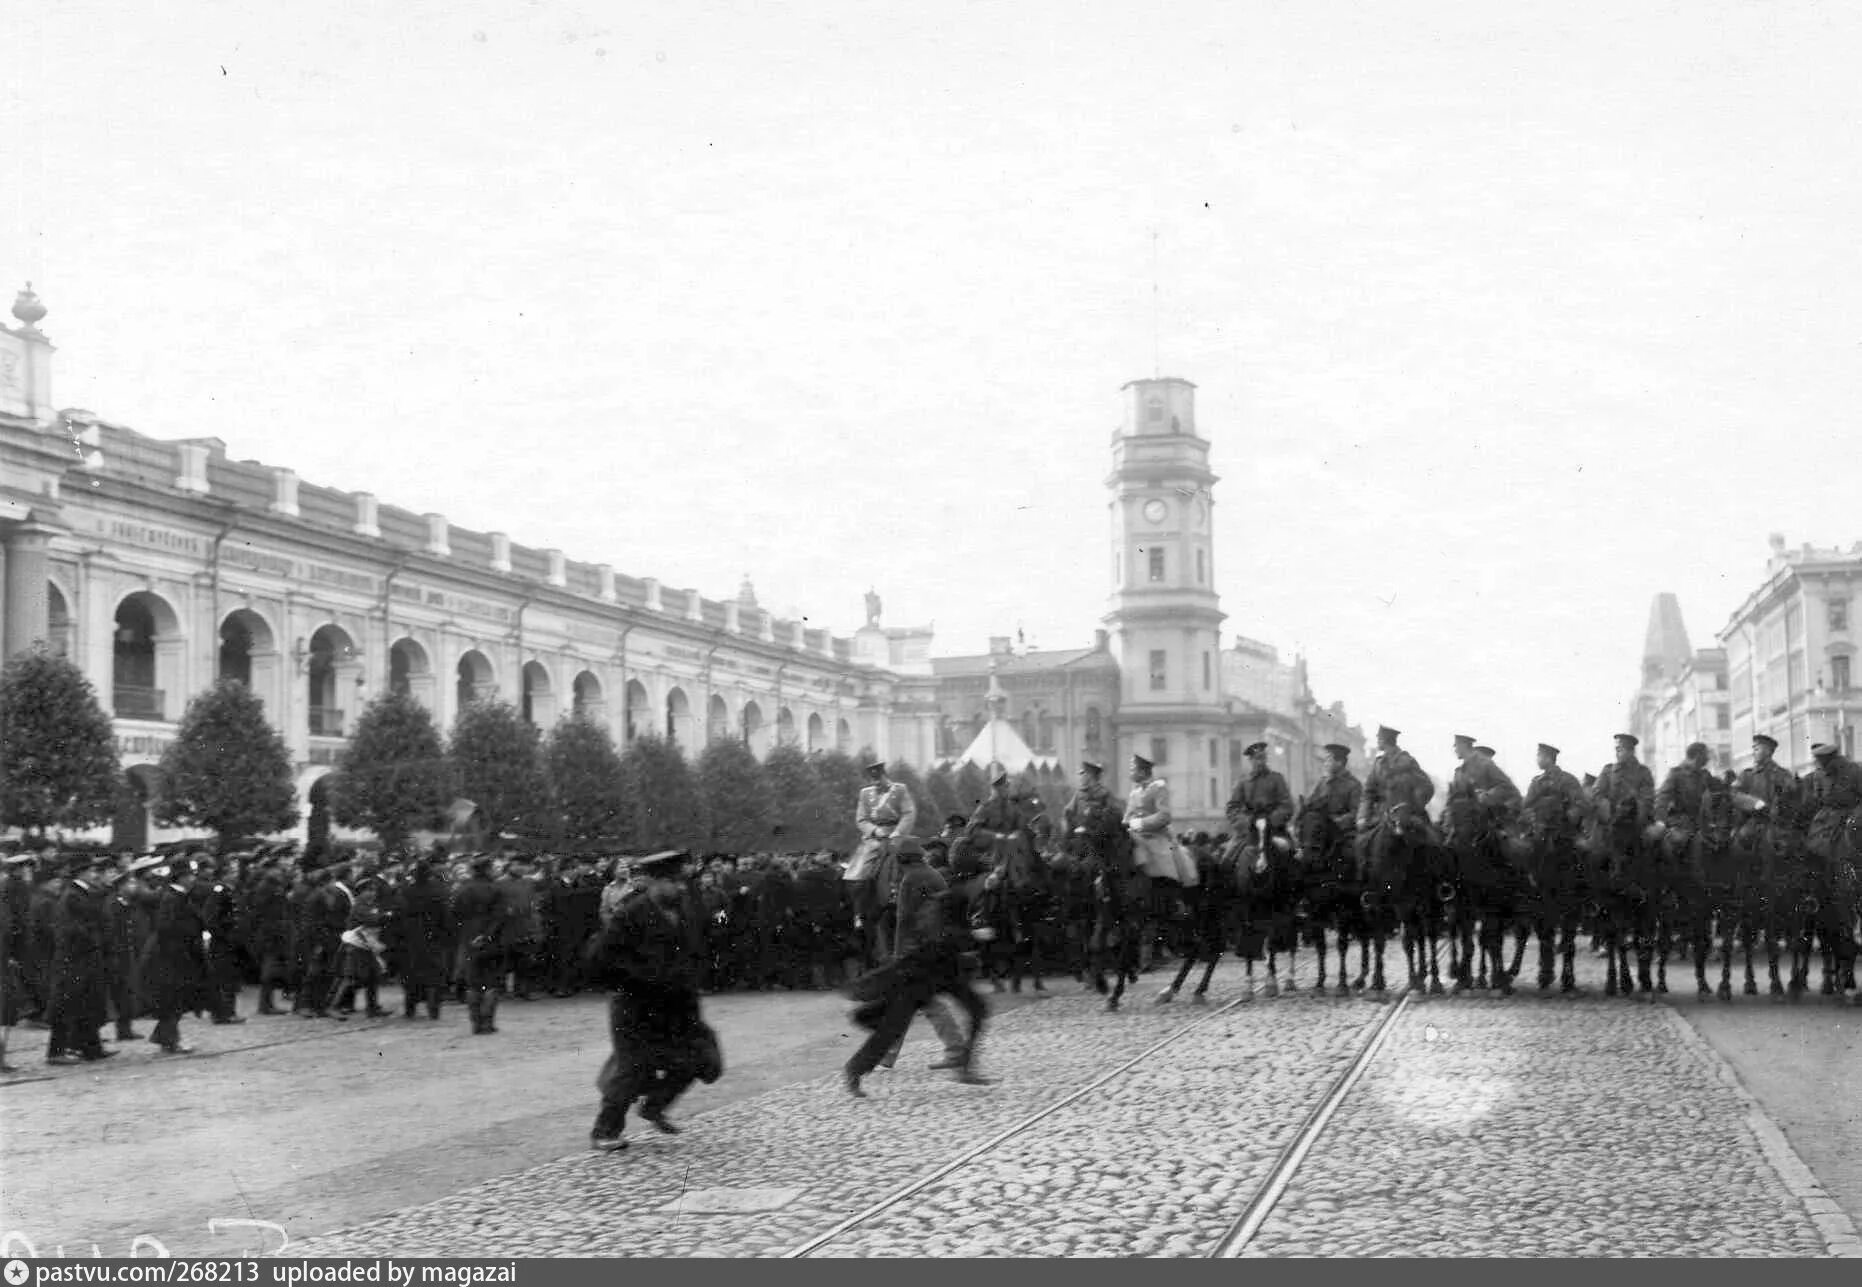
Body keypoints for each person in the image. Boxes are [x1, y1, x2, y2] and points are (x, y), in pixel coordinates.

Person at [586, 851, 719, 1152]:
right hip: (636, 1007)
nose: (681, 888)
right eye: (674, 882)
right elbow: (598, 961)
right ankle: (604, 1130)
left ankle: (654, 1106)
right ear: (655, 883)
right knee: (633, 1067)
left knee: (701, 1059)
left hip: (678, 1005)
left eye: (683, 882)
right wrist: (638, 981)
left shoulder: (684, 910)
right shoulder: (629, 914)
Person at [843, 839, 992, 1097]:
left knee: (896, 1023)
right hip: (929, 967)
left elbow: (909, 921)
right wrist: (975, 936)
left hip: (936, 964)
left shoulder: (936, 882)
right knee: (895, 1022)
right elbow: (944, 929)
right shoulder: (951, 885)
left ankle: (963, 1066)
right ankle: (855, 1070)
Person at [846, 761, 915, 959]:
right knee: (857, 872)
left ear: (885, 774)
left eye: (878, 778)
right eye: (873, 779)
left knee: (914, 856)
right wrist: (875, 830)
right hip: (875, 837)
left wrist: (898, 832)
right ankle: (860, 910)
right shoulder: (864, 794)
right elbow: (861, 819)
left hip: (896, 835)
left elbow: (908, 813)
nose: (876, 782)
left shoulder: (900, 790)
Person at [141, 857, 208, 1055]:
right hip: (171, 956)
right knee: (173, 998)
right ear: (180, 877)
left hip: (179, 954)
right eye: (189, 876)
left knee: (177, 999)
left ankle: (166, 1037)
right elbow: (166, 927)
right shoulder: (171, 898)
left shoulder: (180, 896)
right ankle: (170, 1039)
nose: (193, 879)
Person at [452, 856, 509, 1035]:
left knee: (473, 984)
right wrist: (485, 935)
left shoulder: (463, 889)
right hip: (492, 941)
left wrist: (469, 935)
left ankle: (475, 1022)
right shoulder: (496, 889)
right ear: (487, 869)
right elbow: (500, 917)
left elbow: (454, 915)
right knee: (492, 983)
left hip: (468, 940)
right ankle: (488, 1022)